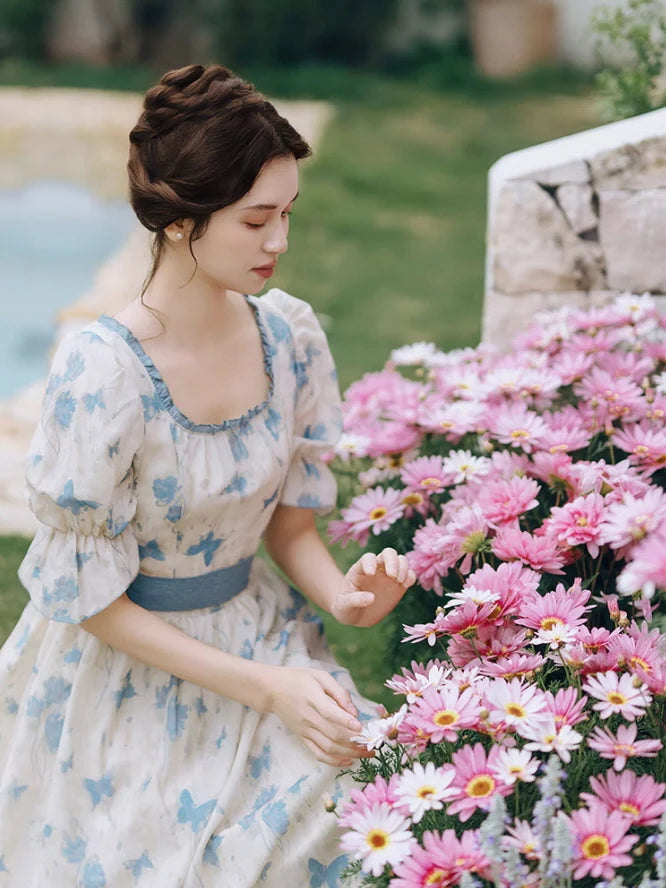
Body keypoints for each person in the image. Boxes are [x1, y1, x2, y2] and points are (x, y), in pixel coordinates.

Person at [0, 63, 415, 886]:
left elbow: (288, 525)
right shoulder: (104, 374)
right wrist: (266, 690)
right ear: (185, 221)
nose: (281, 242)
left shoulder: (287, 337)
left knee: (372, 812)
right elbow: (89, 603)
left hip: (259, 635)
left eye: (287, 214)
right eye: (257, 219)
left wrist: (343, 597)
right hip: (124, 676)